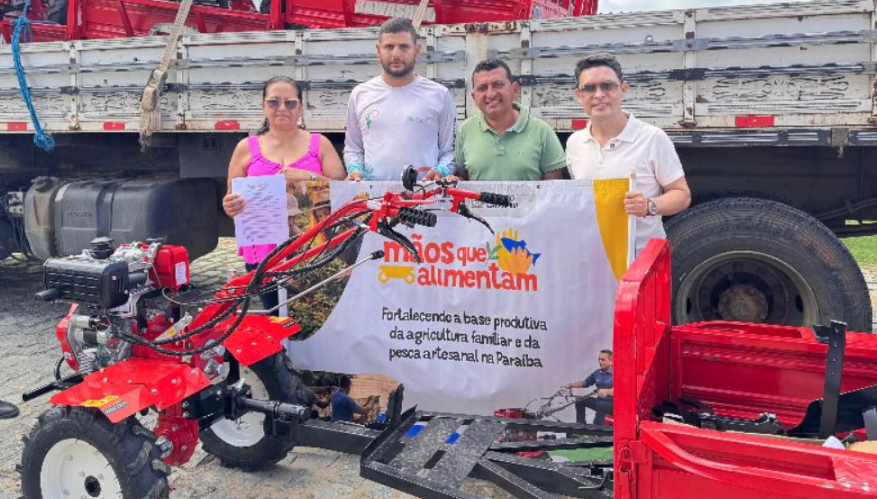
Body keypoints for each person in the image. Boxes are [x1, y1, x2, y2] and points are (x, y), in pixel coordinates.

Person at [222, 76, 346, 312]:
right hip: (264, 252)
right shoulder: (246, 148)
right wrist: (230, 206)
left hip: (311, 250)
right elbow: (231, 198)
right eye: (274, 102)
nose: (282, 108)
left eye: (290, 103)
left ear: (300, 107)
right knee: (276, 317)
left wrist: (308, 177)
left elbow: (343, 190)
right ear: (263, 106)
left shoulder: (319, 144)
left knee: (312, 315)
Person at [565, 53, 691, 254]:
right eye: (589, 88)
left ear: (623, 88)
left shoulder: (652, 138)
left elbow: (682, 195)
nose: (599, 94)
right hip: (594, 257)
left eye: (607, 85)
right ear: (578, 95)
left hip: (642, 258)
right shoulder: (575, 143)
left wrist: (648, 206)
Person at [343, 18, 456, 182]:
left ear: (417, 51)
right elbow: (353, 149)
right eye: (389, 47)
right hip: (374, 195)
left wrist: (441, 171)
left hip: (424, 194)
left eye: (404, 47)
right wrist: (356, 170)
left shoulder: (439, 94)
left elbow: (450, 152)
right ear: (378, 51)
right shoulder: (360, 94)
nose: (396, 54)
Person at [455, 59, 566, 181]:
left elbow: (554, 187)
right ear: (474, 97)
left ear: (515, 90)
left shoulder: (542, 131)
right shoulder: (466, 130)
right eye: (482, 88)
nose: (491, 94)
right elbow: (461, 177)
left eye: (498, 84)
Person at [565, 350, 613, 425]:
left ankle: (597, 427)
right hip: (599, 402)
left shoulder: (618, 373)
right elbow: (585, 383)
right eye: (599, 359)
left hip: (612, 405)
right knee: (580, 401)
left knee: (597, 425)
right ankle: (580, 425)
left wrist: (607, 392)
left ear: (611, 361)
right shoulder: (597, 373)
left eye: (603, 360)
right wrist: (571, 385)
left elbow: (621, 391)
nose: (600, 362)